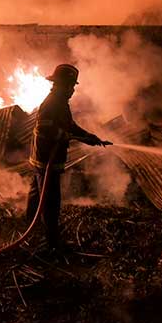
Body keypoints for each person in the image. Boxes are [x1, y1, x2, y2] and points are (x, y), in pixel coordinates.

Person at [26, 64, 110, 253]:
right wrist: (65, 136)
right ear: (61, 84)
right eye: (70, 86)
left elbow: (70, 126)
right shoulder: (51, 103)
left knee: (36, 196)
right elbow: (43, 130)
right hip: (46, 161)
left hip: (43, 159)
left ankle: (30, 227)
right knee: (50, 202)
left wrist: (90, 137)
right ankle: (53, 244)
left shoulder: (60, 102)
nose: (72, 90)